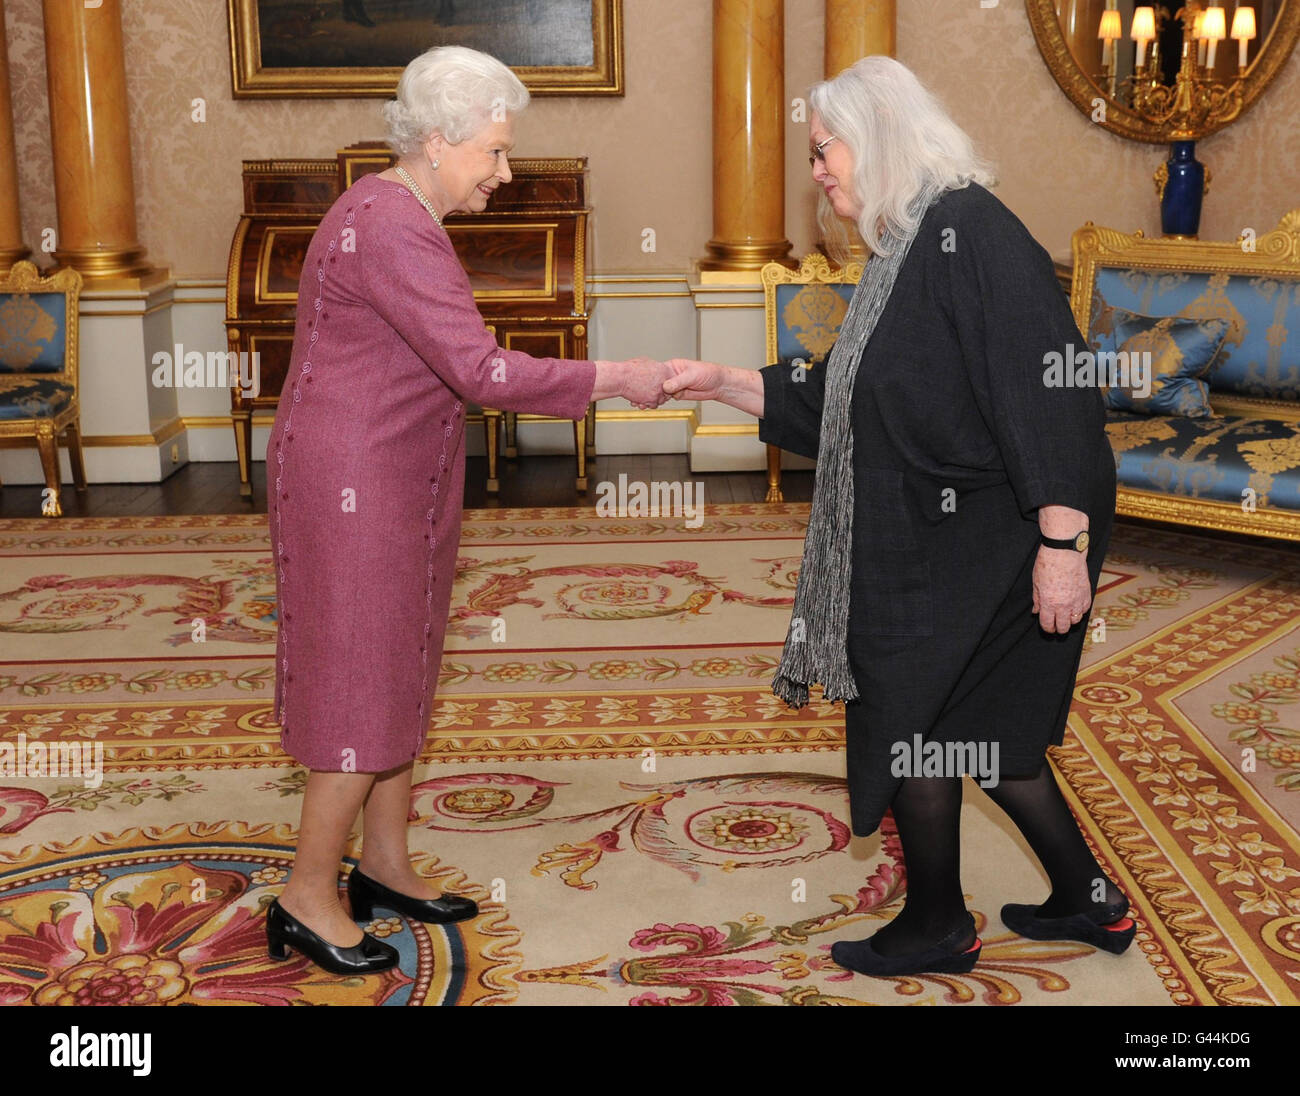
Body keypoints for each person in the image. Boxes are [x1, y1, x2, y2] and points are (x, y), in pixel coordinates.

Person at [663, 56, 1132, 977]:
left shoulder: (970, 230)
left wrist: (1062, 545)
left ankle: (935, 924)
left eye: (823, 149)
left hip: (1006, 533)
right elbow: (851, 397)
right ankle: (1089, 901)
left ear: (874, 139)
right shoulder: (909, 245)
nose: (818, 171)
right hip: (959, 526)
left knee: (912, 710)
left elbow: (1054, 398)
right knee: (986, 728)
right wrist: (723, 382)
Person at [265, 45, 671, 974]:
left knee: (403, 656)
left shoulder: (397, 210)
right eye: (493, 151)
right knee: (360, 678)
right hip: (352, 484)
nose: (505, 171)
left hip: (399, 471)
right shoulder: (391, 223)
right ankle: (307, 893)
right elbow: (483, 372)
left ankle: (386, 863)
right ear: (439, 141)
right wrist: (624, 378)